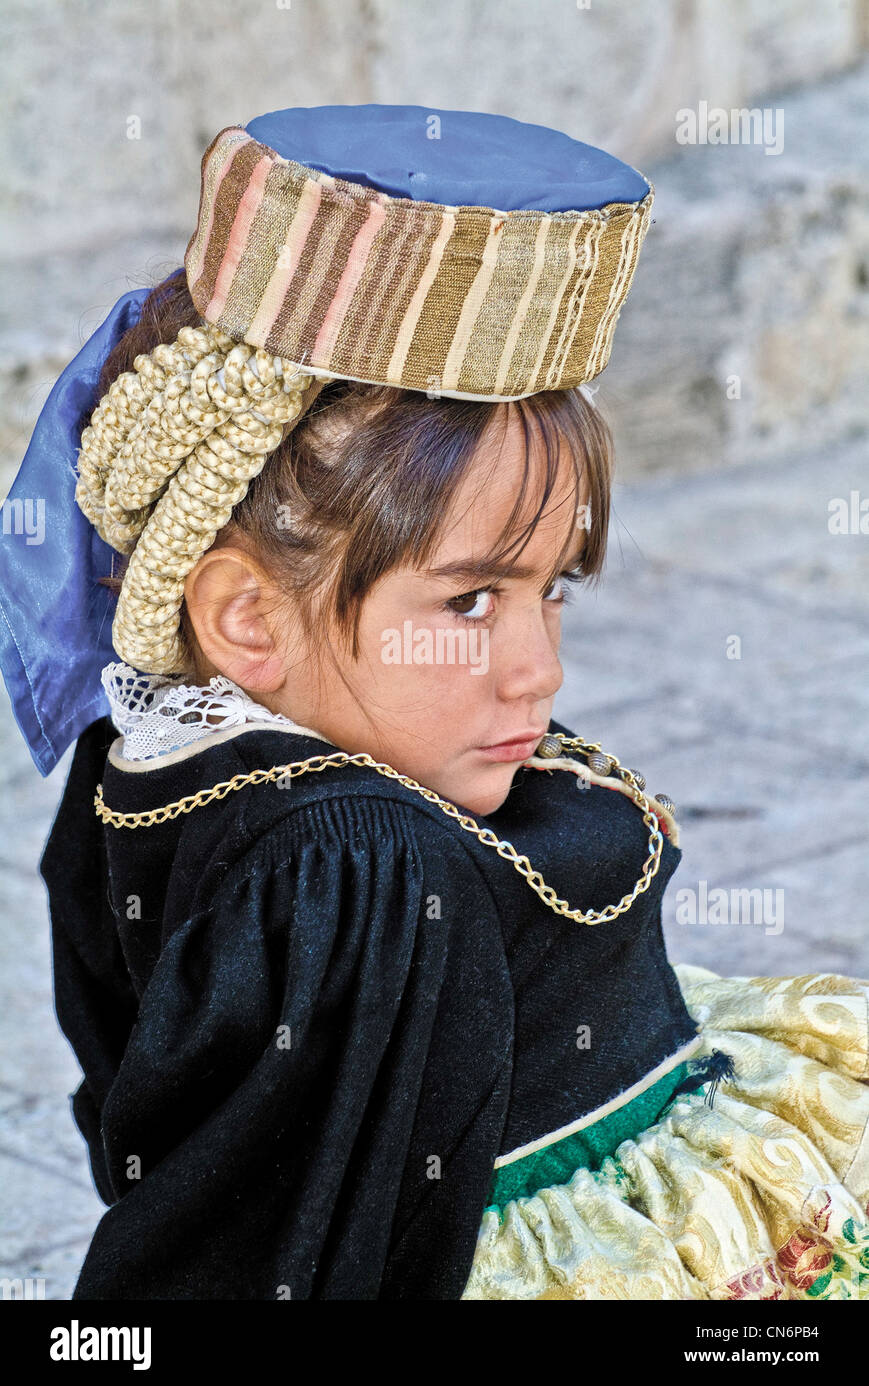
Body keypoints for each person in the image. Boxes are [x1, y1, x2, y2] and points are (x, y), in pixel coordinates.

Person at [1, 104, 867, 1301]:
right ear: (245, 618)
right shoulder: (358, 867)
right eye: (469, 602)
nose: (539, 671)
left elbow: (138, 1092)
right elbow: (253, 1239)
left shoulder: (138, 751)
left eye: (550, 592)